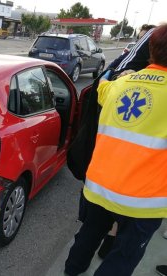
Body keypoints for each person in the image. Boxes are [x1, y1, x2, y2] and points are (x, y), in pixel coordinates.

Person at [64, 24, 167, 276]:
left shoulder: (118, 86)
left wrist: (125, 75)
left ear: (150, 49)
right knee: (124, 255)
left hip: (100, 187)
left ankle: (72, 270)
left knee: (88, 234)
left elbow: (103, 83)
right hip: (144, 200)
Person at [95, 23, 157, 259]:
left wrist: (115, 76)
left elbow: (105, 84)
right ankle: (111, 238)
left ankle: (107, 238)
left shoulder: (125, 80)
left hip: (115, 172)